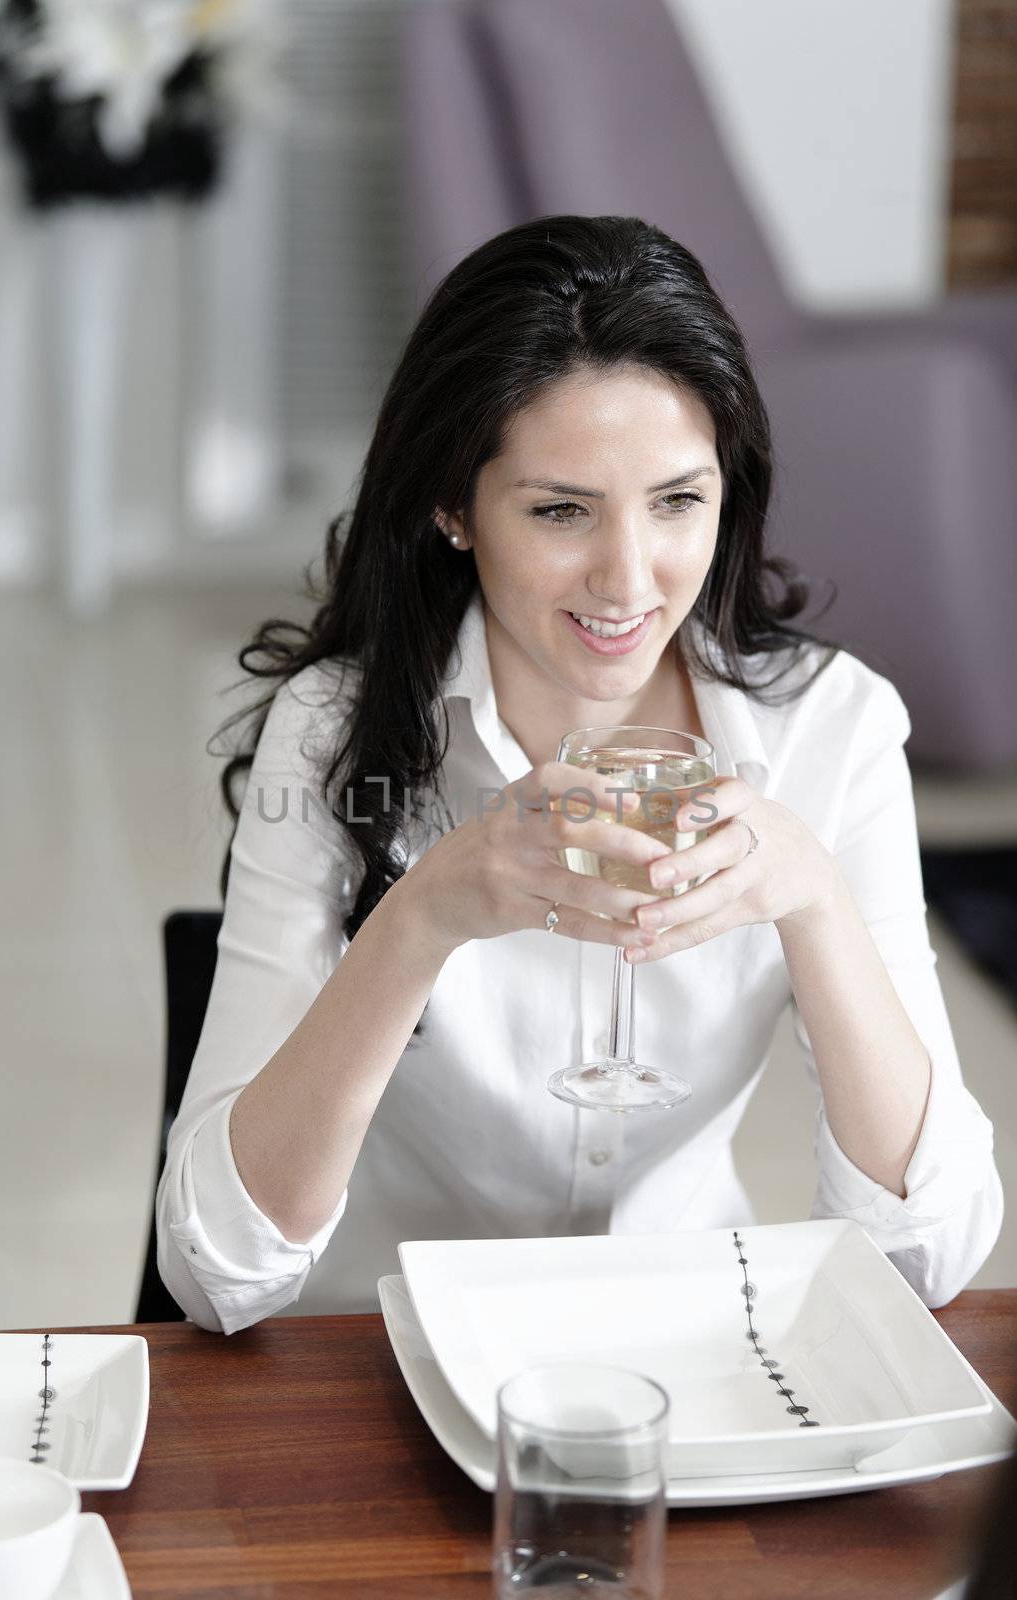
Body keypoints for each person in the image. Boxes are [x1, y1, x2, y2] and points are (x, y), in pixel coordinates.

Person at [156, 215, 1002, 1334]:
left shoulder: (828, 731)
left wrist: (814, 899)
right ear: (452, 505)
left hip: (686, 1342)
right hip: (376, 1360)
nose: (627, 578)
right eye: (559, 510)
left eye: (675, 502)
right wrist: (420, 917)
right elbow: (215, 1270)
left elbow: (927, 1256)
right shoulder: (331, 735)